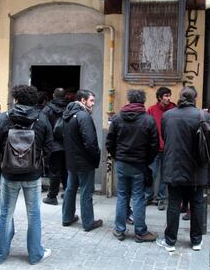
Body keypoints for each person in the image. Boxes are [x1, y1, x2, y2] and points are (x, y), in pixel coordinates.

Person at [0, 85, 54, 264]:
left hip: (9, 174)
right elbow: (49, 147)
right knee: (34, 214)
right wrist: (42, 165)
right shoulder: (41, 118)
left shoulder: (3, 118)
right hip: (32, 175)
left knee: (5, 213)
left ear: (16, 99)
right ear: (33, 100)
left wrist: (1, 167)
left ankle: (0, 255)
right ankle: (35, 254)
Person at [156, 87, 210, 252]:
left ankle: (170, 241)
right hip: (196, 169)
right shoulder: (202, 116)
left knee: (174, 205)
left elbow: (164, 136)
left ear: (180, 98)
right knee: (197, 205)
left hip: (173, 167)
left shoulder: (168, 115)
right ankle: (196, 241)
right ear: (195, 98)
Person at [106, 89, 159, 242]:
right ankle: (140, 232)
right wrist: (146, 160)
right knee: (138, 197)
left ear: (129, 101)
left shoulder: (117, 118)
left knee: (122, 196)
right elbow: (154, 145)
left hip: (122, 163)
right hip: (139, 164)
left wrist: (119, 157)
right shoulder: (148, 120)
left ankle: (119, 230)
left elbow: (109, 142)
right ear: (142, 102)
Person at [62, 89, 103, 232]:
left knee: (70, 188)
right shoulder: (83, 116)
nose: (93, 104)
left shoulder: (67, 115)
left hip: (72, 160)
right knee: (86, 191)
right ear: (83, 100)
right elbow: (90, 142)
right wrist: (96, 155)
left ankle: (67, 218)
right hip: (84, 161)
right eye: (91, 100)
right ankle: (88, 222)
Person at [145, 87, 176, 211]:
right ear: (159, 97)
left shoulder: (174, 109)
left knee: (164, 175)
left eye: (169, 95)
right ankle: (148, 196)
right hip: (154, 148)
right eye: (166, 96)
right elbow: (146, 127)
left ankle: (161, 198)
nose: (168, 98)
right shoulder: (152, 110)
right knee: (151, 173)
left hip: (168, 149)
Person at [41, 88, 69, 205]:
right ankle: (68, 193)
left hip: (53, 144)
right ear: (65, 96)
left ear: (53, 95)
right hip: (67, 144)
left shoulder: (47, 109)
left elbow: (43, 126)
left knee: (54, 171)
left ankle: (52, 196)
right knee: (66, 170)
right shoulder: (70, 108)